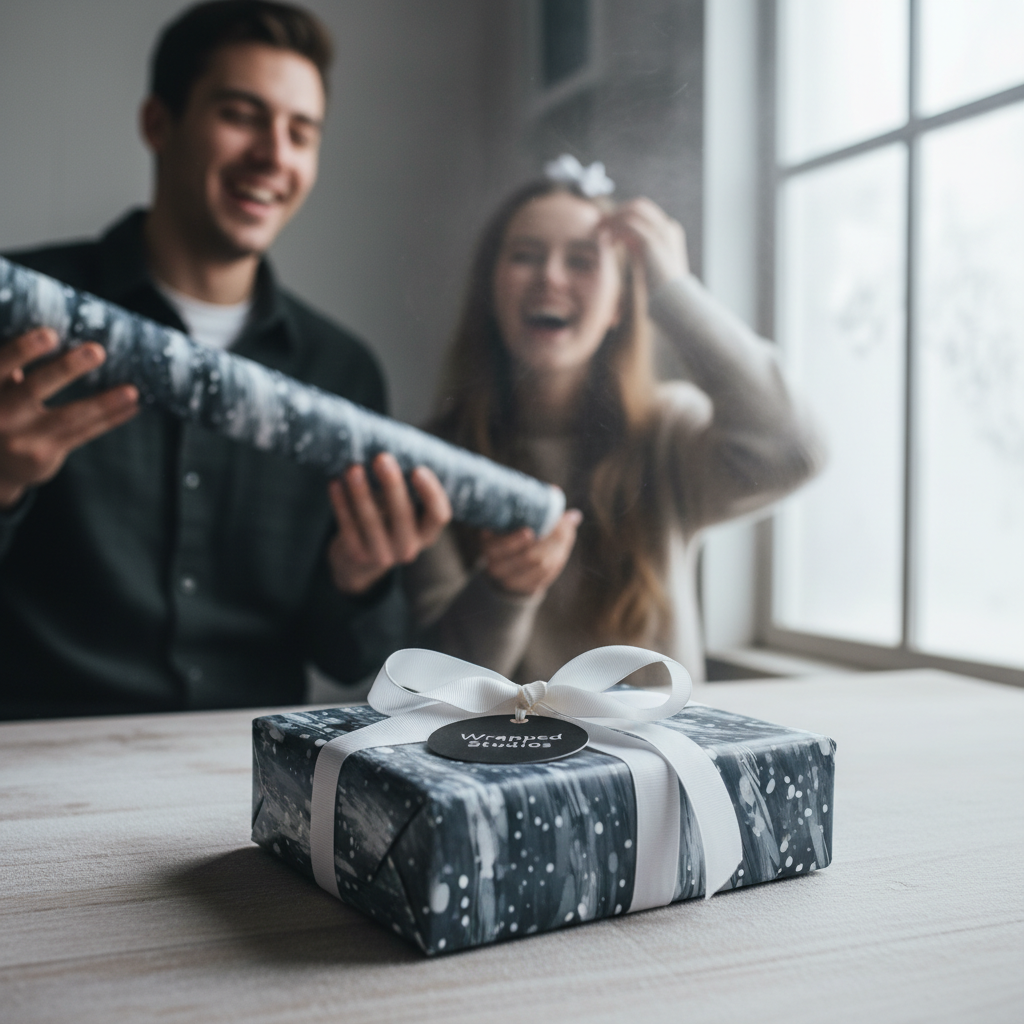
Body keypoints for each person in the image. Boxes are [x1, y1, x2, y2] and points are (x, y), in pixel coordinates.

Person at [0, 1, 451, 720]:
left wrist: (359, 579)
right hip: (35, 758)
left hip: (244, 771)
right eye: (242, 115)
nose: (275, 154)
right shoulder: (18, 318)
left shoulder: (341, 371)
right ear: (158, 123)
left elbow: (352, 661)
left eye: (301, 132)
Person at [405, 163, 825, 686]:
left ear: (620, 304)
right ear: (491, 289)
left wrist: (676, 292)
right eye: (525, 256)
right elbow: (437, 684)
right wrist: (502, 593)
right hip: (502, 764)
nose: (551, 277)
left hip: (660, 763)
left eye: (582, 261)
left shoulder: (667, 433)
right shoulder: (433, 459)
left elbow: (795, 451)